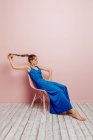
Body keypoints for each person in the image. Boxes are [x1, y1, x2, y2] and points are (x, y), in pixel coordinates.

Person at [7, 53, 86, 121]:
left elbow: (50, 70)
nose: (37, 61)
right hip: (41, 84)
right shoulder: (28, 68)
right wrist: (10, 59)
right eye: (35, 60)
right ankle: (72, 111)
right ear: (31, 61)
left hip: (45, 82)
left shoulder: (38, 67)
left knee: (63, 87)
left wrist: (49, 79)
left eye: (37, 59)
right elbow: (14, 67)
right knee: (59, 91)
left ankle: (67, 109)